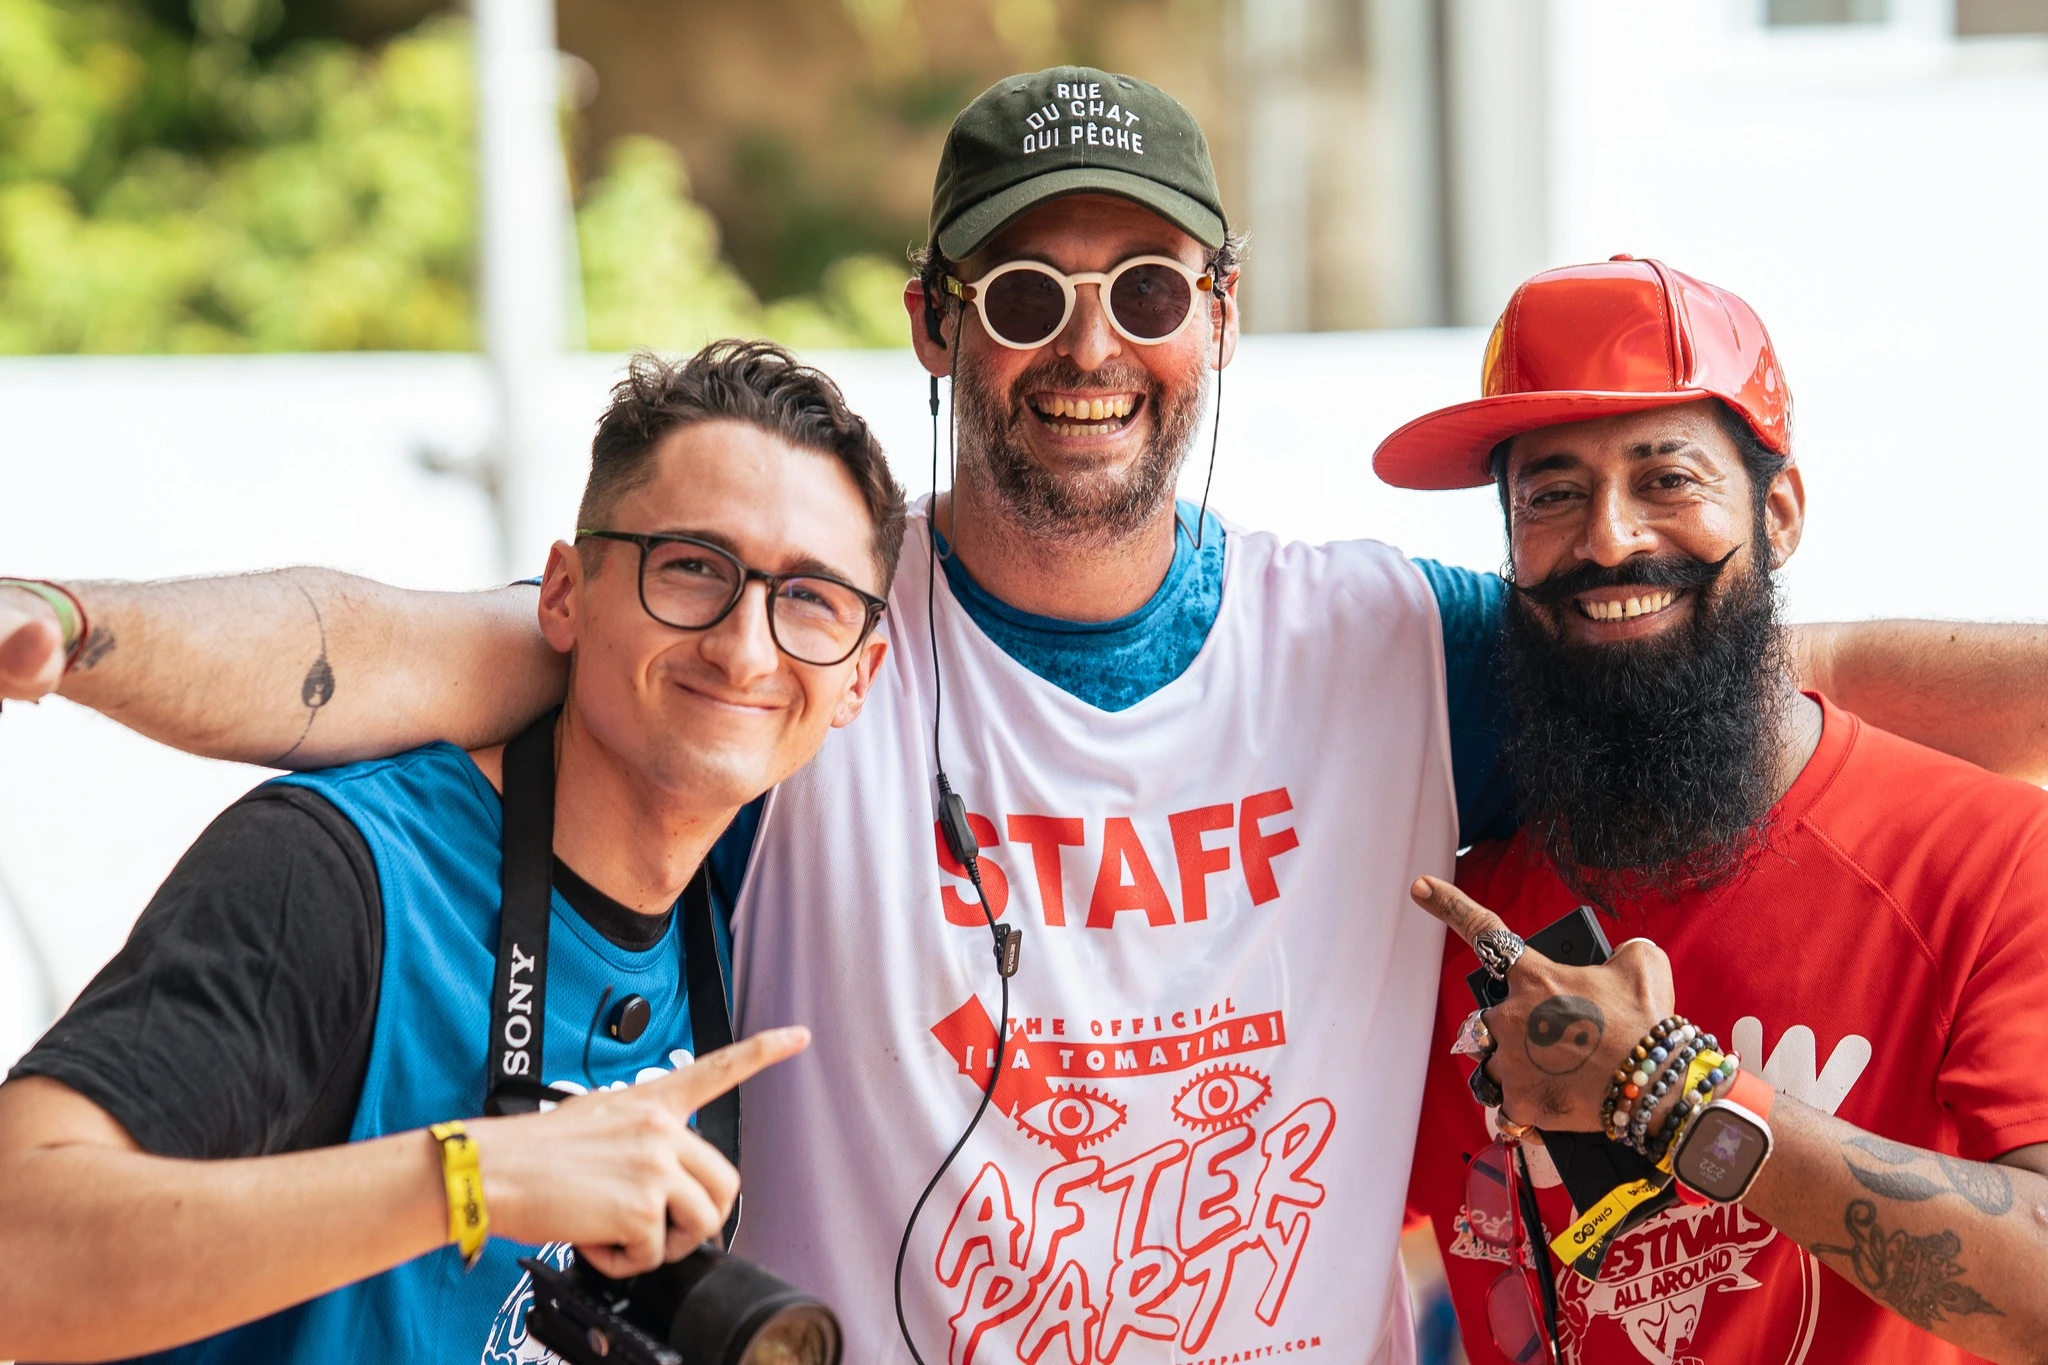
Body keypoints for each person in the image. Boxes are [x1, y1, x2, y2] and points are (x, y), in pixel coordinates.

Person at [4, 73, 2047, 1362]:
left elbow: (1757, 656)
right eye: (1024, 293)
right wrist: (66, 625)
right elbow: (368, 645)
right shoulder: (796, 632)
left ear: (1216, 321)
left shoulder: (1385, 645)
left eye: (1145, 291)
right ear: (934, 322)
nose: (1090, 345)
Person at [0, 340, 902, 1362]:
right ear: (561, 595)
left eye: (810, 599)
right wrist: (474, 1177)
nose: (745, 648)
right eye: (691, 567)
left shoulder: (755, 905)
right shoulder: (344, 873)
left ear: (860, 677)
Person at [1387, 258, 2048, 1365]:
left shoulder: (1985, 859)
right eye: (1551, 494)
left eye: (1666, 479)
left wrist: (1679, 1099)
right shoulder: (1458, 921)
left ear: (1776, 516)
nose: (1608, 538)